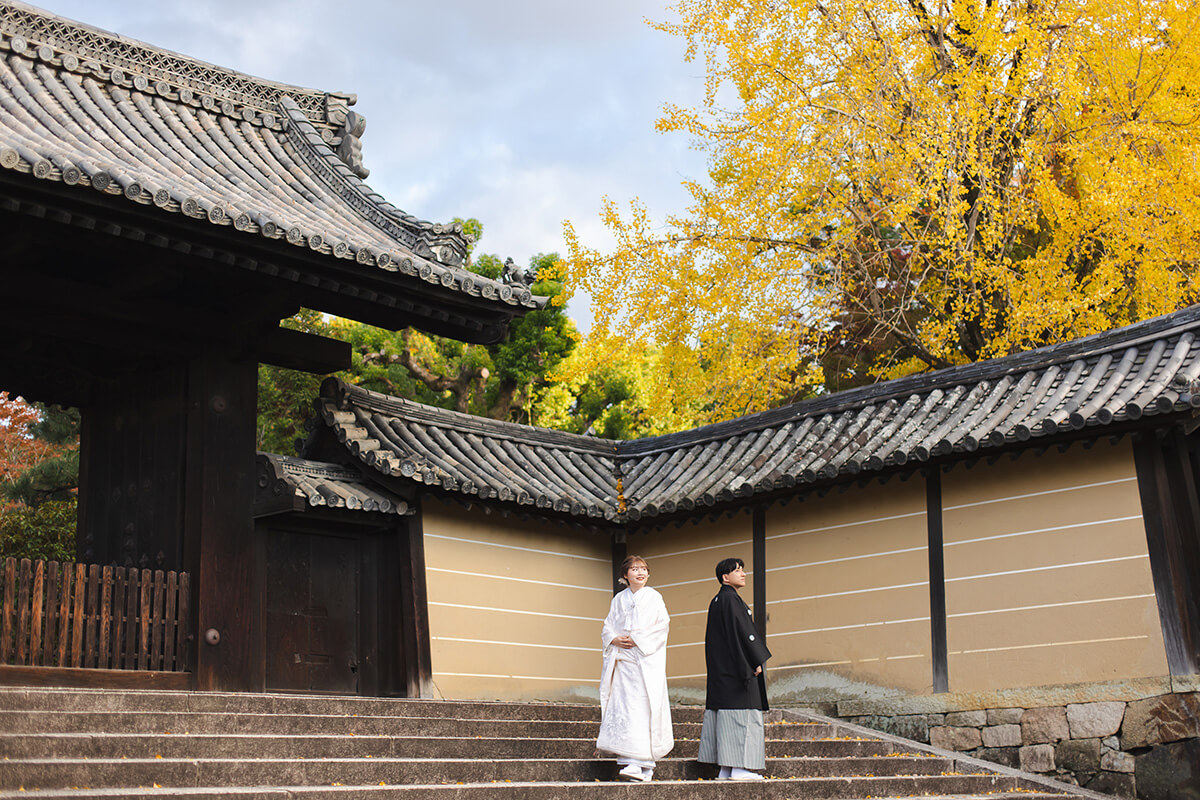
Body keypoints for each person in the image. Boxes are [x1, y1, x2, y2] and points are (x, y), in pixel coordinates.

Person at [597, 555, 674, 782]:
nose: (640, 573)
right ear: (625, 575)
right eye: (635, 569)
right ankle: (632, 761)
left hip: (644, 663)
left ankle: (642, 761)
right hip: (623, 662)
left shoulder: (654, 597)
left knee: (643, 706)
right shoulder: (618, 599)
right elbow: (607, 626)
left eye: (644, 569)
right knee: (624, 707)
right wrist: (614, 639)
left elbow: (662, 626)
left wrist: (637, 638)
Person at [698, 557, 772, 781]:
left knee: (724, 717)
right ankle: (739, 768)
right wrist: (753, 660)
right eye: (737, 571)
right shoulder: (731, 600)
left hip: (723, 672)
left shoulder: (718, 600)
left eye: (743, 570)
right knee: (742, 717)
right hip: (738, 671)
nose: (743, 574)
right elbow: (743, 635)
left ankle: (726, 769)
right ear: (725, 577)